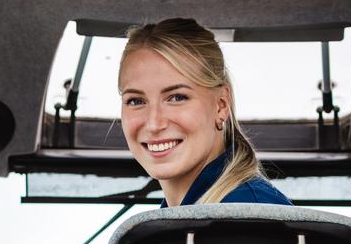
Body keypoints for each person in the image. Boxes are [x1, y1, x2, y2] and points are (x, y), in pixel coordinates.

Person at [118, 18, 292, 208]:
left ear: (221, 105)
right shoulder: (183, 219)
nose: (153, 124)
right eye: (136, 101)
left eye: (177, 98)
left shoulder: (248, 216)